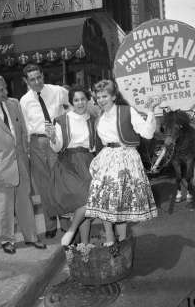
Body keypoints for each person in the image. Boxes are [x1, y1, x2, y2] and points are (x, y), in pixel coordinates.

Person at [0, 75, 46, 254]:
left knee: (25, 202)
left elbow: (22, 130)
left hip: (20, 162)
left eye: (5, 88)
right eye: (0, 90)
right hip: (0, 167)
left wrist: (26, 153)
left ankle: (31, 237)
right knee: (4, 205)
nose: (5, 92)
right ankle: (6, 240)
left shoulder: (13, 103)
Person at [85, 79, 160, 246]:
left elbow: (147, 134)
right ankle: (110, 238)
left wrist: (150, 112)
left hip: (126, 157)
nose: (101, 100)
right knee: (105, 198)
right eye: (99, 97)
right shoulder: (99, 118)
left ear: (113, 97)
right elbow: (97, 142)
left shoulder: (127, 111)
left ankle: (123, 239)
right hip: (107, 158)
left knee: (120, 201)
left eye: (105, 96)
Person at [20, 64, 70, 239]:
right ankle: (50, 224)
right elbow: (25, 128)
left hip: (56, 140)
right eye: (32, 79)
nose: (36, 82)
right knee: (44, 185)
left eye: (39, 77)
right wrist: (27, 151)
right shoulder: (24, 101)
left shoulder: (58, 91)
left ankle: (65, 222)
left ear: (43, 75)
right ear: (26, 81)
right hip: (37, 143)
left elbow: (70, 108)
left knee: (59, 182)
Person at [45, 85, 95, 245]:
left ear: (88, 100)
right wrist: (52, 138)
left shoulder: (92, 119)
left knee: (85, 204)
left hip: (88, 161)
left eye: (82, 99)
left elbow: (95, 145)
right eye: (76, 100)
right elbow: (57, 147)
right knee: (84, 200)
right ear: (71, 102)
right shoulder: (62, 120)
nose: (80, 103)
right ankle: (73, 232)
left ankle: (84, 244)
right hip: (69, 163)